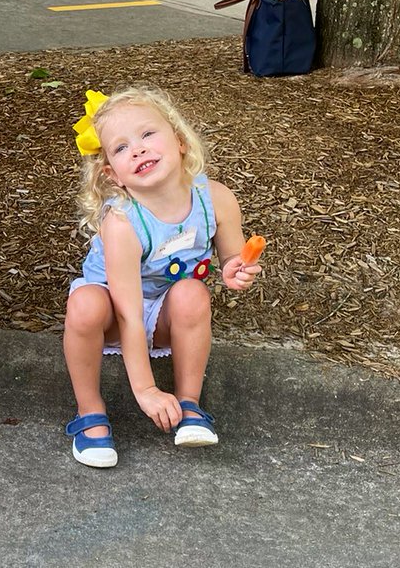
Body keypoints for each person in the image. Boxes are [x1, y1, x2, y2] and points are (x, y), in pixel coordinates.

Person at [62, 86, 262, 467]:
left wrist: (237, 271)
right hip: (114, 313)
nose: (137, 150)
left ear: (180, 141)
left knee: (193, 293)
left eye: (147, 134)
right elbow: (128, 313)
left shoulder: (216, 199)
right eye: (121, 148)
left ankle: (190, 405)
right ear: (113, 175)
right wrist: (146, 389)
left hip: (167, 312)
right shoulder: (123, 222)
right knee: (84, 305)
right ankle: (90, 412)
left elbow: (232, 259)